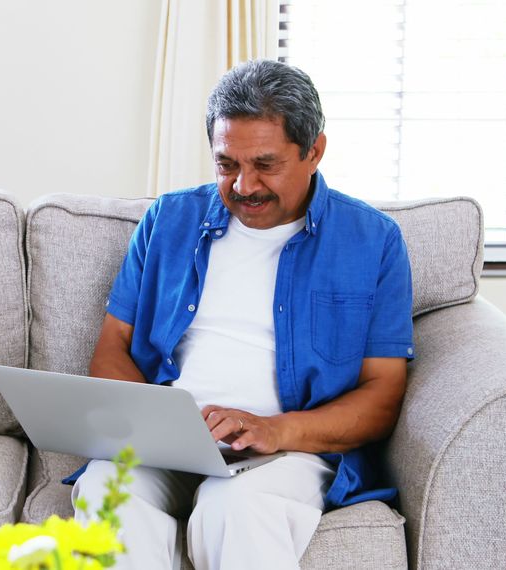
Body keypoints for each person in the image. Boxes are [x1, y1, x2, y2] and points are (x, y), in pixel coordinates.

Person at [70, 59, 415, 569]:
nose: (244, 185)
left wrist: (275, 430)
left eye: (266, 165)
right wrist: (157, 424)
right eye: (226, 164)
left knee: (235, 507)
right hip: (172, 444)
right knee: (104, 491)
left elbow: (383, 395)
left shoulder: (373, 241)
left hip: (288, 450)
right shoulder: (168, 220)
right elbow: (112, 348)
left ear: (314, 150)